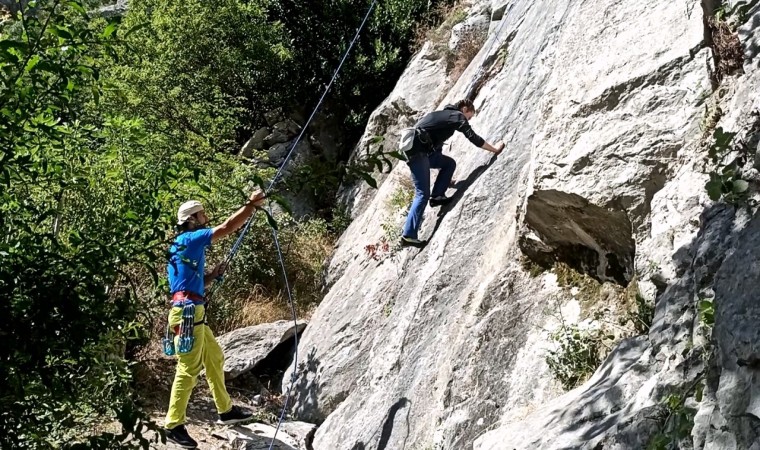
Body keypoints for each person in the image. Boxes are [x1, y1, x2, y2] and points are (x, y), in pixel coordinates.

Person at [163, 189, 266, 449]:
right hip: (189, 312)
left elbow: (184, 284)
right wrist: (251, 205)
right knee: (188, 369)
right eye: (201, 214)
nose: (205, 217)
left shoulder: (178, 245)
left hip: (188, 309)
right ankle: (173, 424)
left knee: (215, 357)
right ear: (192, 219)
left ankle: (226, 410)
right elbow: (227, 227)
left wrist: (210, 276)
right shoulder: (192, 238)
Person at [400, 99, 505, 247]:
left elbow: (435, 151)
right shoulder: (456, 116)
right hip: (418, 152)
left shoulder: (443, 117)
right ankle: (408, 235)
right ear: (464, 109)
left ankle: (437, 196)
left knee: (449, 164)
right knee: (422, 194)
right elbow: (472, 137)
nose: (468, 120)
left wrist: (445, 180)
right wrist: (495, 149)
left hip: (416, 151)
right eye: (469, 116)